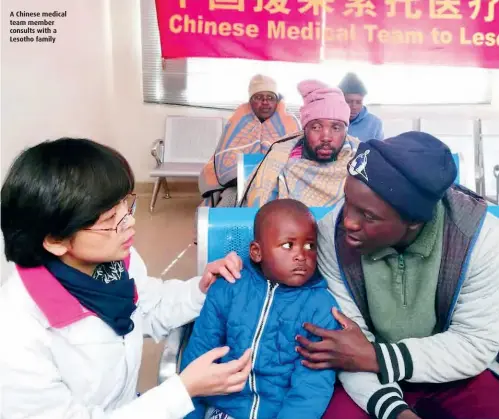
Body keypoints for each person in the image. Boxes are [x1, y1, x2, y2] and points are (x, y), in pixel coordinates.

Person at [0, 138, 253, 419]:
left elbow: (147, 306)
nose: (130, 221)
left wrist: (201, 289)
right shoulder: (16, 334)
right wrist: (182, 390)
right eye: (110, 218)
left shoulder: (113, 263)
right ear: (56, 240)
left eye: (125, 205)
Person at [295, 132, 499, 419]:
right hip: (366, 376)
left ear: (414, 221)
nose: (348, 221)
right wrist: (395, 411)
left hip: (451, 370)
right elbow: (346, 346)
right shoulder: (332, 233)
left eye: (368, 216)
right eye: (347, 200)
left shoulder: (481, 239)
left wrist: (378, 357)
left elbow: (473, 342)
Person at [181, 199, 340, 419]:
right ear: (257, 252)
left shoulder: (322, 307)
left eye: (310, 245)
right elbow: (198, 357)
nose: (301, 255)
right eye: (288, 245)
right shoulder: (228, 288)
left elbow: (312, 388)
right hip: (222, 410)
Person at [241, 80, 360, 208]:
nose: (326, 137)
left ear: (345, 131)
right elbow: (262, 212)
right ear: (304, 129)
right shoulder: (279, 160)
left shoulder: (362, 160)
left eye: (336, 128)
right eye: (316, 127)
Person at [198, 74, 300, 208]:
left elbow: (297, 158)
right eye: (259, 97)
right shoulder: (238, 121)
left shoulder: (289, 122)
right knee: (228, 201)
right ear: (250, 101)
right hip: (238, 181)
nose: (265, 102)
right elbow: (226, 155)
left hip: (278, 180)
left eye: (270, 98)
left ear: (276, 101)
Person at [338, 72, 383, 142]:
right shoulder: (328, 120)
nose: (354, 107)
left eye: (358, 102)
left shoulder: (374, 123)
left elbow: (379, 151)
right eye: (349, 102)